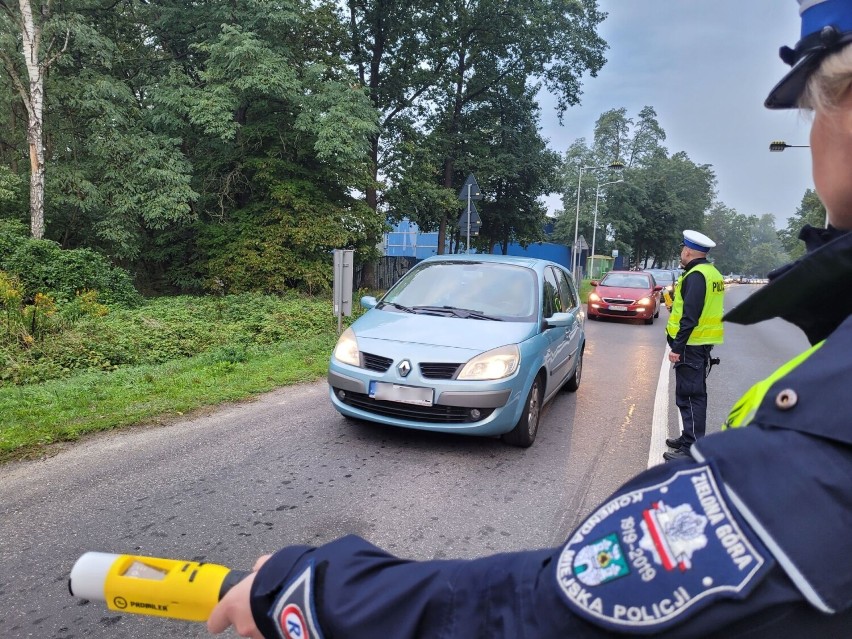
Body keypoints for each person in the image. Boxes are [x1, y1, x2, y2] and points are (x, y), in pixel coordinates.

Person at [208, 1, 852, 636]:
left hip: (689, 352)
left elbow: (567, 605)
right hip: (691, 351)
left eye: (813, 108)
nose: (813, 135)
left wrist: (322, 598)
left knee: (691, 407)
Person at [663, 230, 725, 462]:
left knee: (690, 396)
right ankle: (688, 437)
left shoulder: (696, 275)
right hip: (699, 344)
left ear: (688, 251)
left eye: (682, 249)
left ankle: (692, 448)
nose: (681, 252)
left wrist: (677, 348)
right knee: (692, 394)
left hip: (691, 345)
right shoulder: (711, 273)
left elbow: (691, 317)